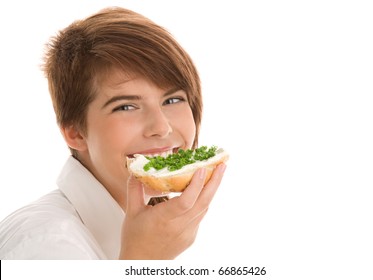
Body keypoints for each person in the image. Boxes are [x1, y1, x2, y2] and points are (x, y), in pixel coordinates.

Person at [0, 6, 227, 259]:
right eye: (126, 106)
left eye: (173, 100)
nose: (161, 127)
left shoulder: (144, 229)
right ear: (75, 132)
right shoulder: (46, 245)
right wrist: (145, 258)